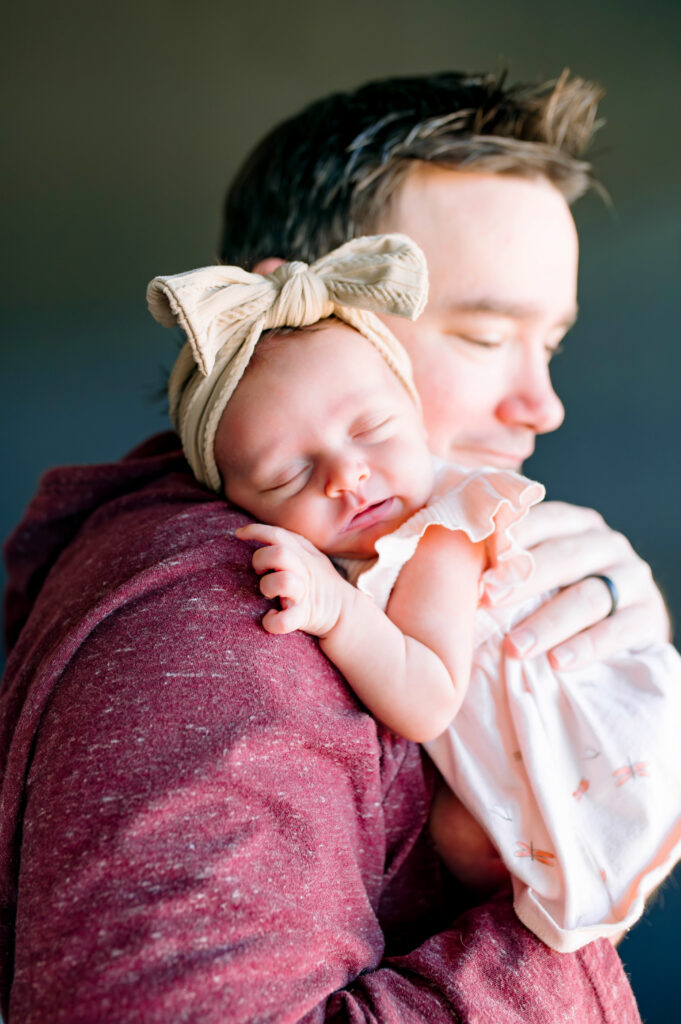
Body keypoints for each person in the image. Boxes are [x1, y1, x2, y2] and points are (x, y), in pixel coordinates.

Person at [0, 70, 666, 1021]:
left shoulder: (374, 555)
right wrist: (566, 911)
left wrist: (591, 692)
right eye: (483, 336)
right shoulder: (230, 623)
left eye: (548, 345)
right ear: (291, 310)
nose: (542, 406)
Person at [146, 232, 681, 954]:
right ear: (231, 504)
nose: (346, 476)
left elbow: (426, 698)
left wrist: (336, 610)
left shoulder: (437, 533)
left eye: (374, 430)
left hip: (601, 759)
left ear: (413, 414)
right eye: (284, 478)